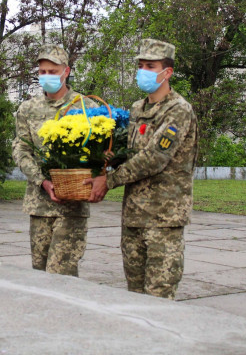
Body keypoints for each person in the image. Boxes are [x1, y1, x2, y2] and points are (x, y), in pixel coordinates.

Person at [86, 39, 198, 299]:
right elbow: (130, 151)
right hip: (134, 216)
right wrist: (99, 161)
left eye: (150, 66)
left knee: (159, 299)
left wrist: (110, 181)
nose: (143, 71)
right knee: (134, 297)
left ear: (167, 72)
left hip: (164, 218)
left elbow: (155, 157)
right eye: (141, 66)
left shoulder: (178, 110)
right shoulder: (138, 108)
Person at [11, 45, 97, 276]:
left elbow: (99, 150)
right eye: (42, 72)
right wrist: (42, 180)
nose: (46, 76)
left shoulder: (86, 106)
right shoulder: (28, 109)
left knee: (61, 273)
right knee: (39, 273)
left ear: (66, 71)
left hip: (72, 204)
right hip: (39, 205)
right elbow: (21, 148)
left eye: (52, 71)